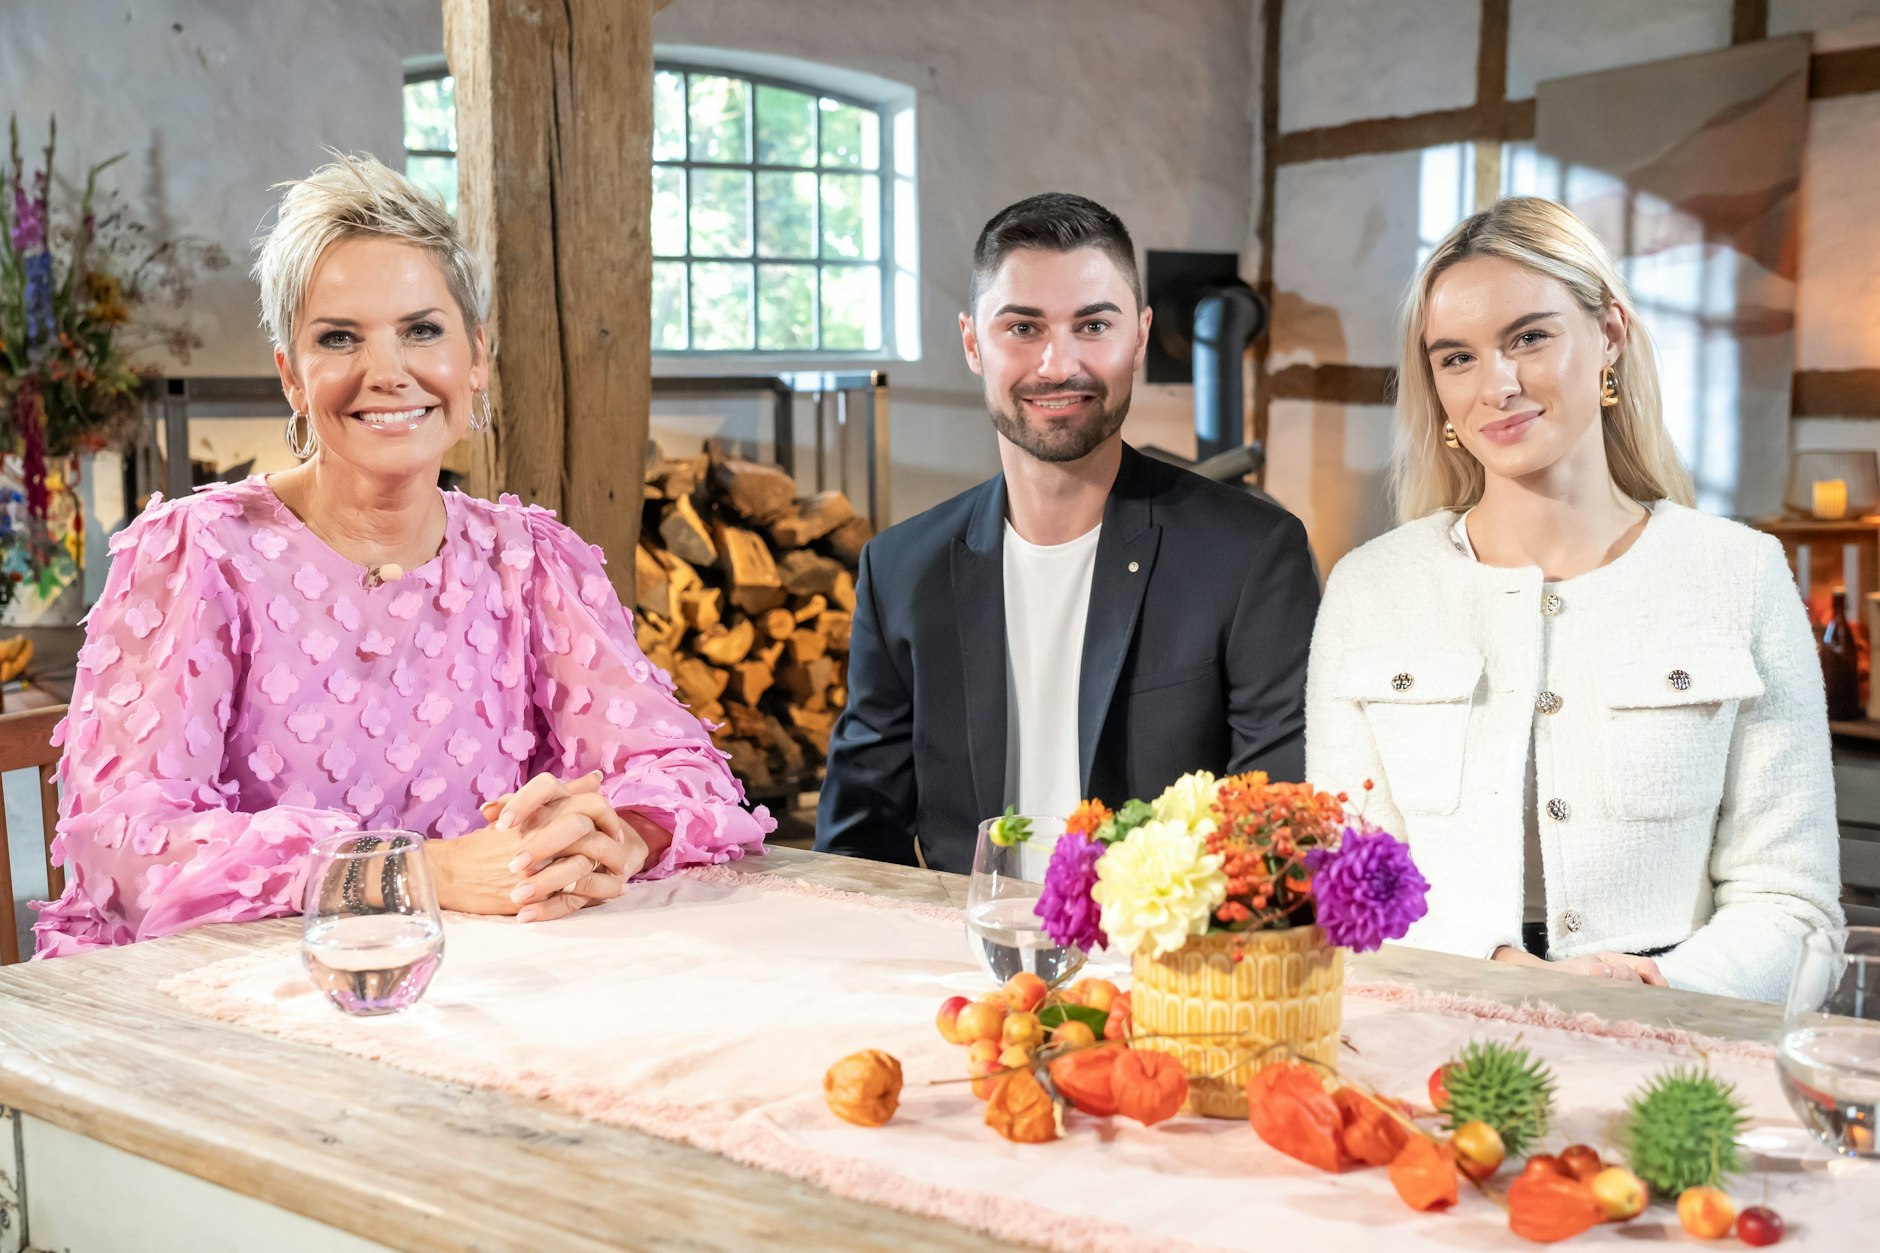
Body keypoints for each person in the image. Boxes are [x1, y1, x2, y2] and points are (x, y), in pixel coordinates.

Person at [33, 154, 771, 956]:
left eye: (422, 330)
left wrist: (620, 835)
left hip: (468, 991)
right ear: (291, 374)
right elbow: (128, 847)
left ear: (476, 356)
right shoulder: (197, 554)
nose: (387, 373)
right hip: (198, 1016)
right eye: (339, 337)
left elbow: (683, 771)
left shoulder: (530, 561)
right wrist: (415, 872)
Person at [1305, 196, 1841, 1003]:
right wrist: (1503, 975)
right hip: (1437, 1023)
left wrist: (1655, 985)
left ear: (1610, 336)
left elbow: (1794, 903)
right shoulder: (1369, 588)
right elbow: (1349, 882)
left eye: (1529, 337)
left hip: (1682, 1034)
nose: (1500, 384)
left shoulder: (1742, 574)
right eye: (1458, 358)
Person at [815, 193, 1318, 874]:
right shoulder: (901, 569)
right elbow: (854, 850)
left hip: (1169, 968)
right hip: (964, 967)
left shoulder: (1252, 554)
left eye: (1092, 325)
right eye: (1022, 328)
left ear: (1138, 336)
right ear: (972, 342)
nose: (1057, 364)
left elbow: (1278, 840)